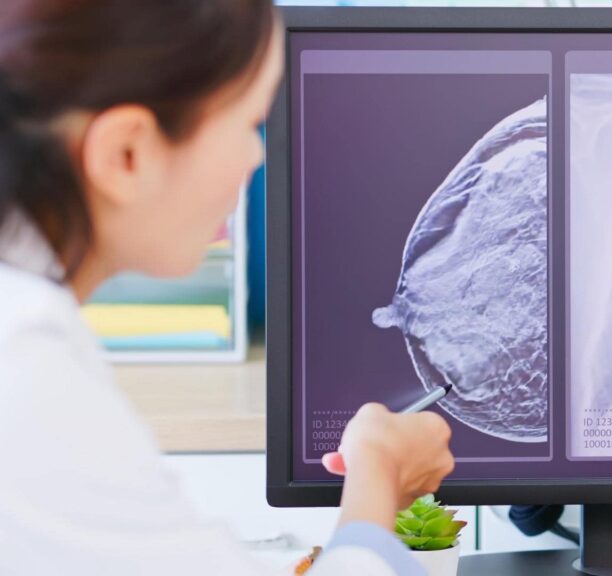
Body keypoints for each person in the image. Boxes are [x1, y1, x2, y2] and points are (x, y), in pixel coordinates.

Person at [0, 1, 453, 575]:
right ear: (126, 154)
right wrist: (379, 475)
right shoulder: (30, 386)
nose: (258, 156)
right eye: (248, 123)